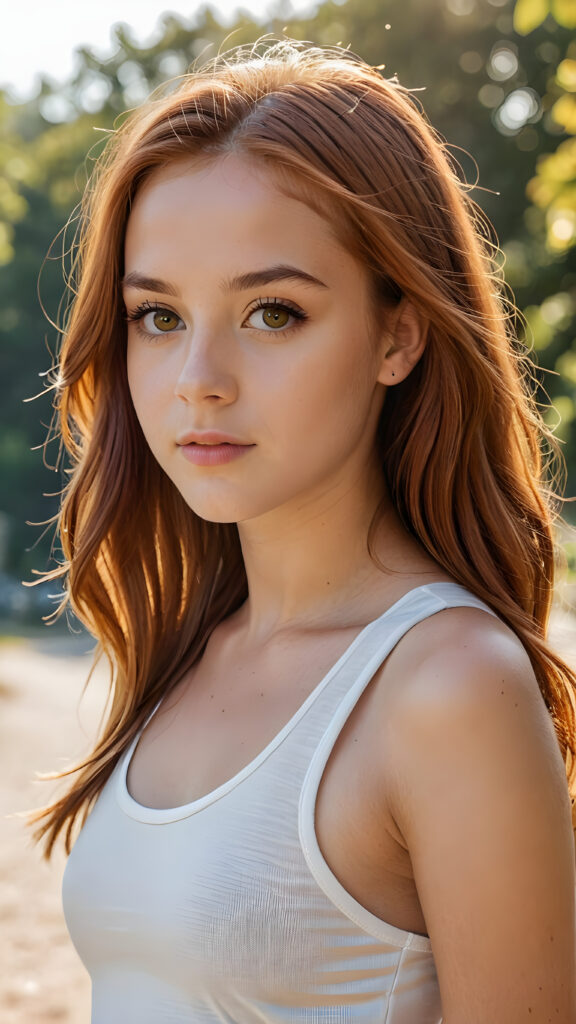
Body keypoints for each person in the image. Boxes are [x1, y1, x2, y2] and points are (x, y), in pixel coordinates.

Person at [28, 38, 576, 1023]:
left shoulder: (450, 687)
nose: (199, 378)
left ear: (398, 334)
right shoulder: (191, 649)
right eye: (159, 317)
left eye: (273, 312)